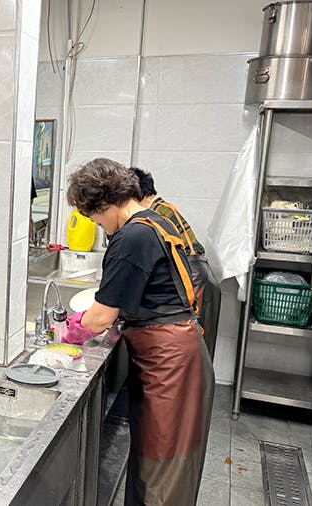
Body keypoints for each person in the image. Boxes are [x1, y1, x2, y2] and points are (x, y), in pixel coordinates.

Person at [66, 158, 214, 505]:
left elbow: (101, 317)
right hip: (174, 354)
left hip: (170, 362)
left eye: (94, 216)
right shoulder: (154, 221)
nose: (98, 225)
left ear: (103, 203)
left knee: (163, 467)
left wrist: (71, 331)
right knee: (157, 458)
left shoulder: (132, 235)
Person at [130, 167, 220, 359]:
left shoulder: (155, 214)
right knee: (200, 349)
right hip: (200, 273)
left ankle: (195, 388)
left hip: (193, 276)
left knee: (194, 350)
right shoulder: (163, 207)